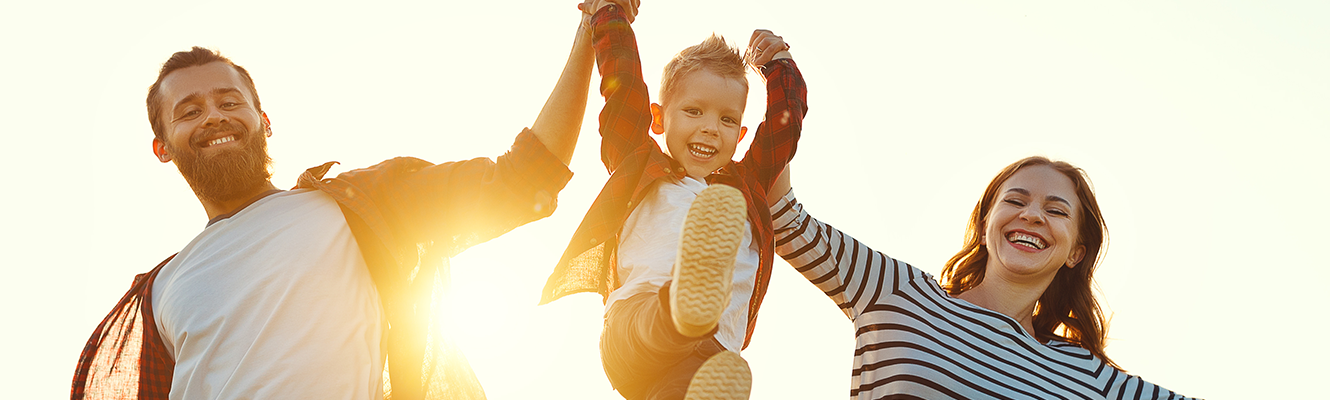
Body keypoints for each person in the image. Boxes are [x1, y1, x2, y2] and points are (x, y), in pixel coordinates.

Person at [70, 8, 596, 400]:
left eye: (229, 102)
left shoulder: (357, 204)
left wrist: (591, 32)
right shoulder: (159, 288)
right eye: (189, 110)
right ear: (163, 147)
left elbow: (527, 176)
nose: (214, 116)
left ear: (264, 120)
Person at [539, 1, 807, 398]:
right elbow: (622, 86)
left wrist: (779, 65)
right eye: (694, 111)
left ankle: (691, 315)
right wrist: (610, 14)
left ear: (741, 132)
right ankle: (683, 303)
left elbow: (784, 129)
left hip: (704, 359)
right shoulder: (640, 162)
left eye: (727, 119)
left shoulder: (743, 189)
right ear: (660, 118)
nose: (711, 129)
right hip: (637, 325)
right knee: (668, 322)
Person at [766, 159, 1201, 399]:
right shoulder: (898, 294)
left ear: (1076, 252)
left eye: (1055, 210)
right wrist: (782, 86)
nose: (1031, 214)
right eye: (1016, 200)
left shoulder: (1087, 377)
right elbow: (782, 217)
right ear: (987, 221)